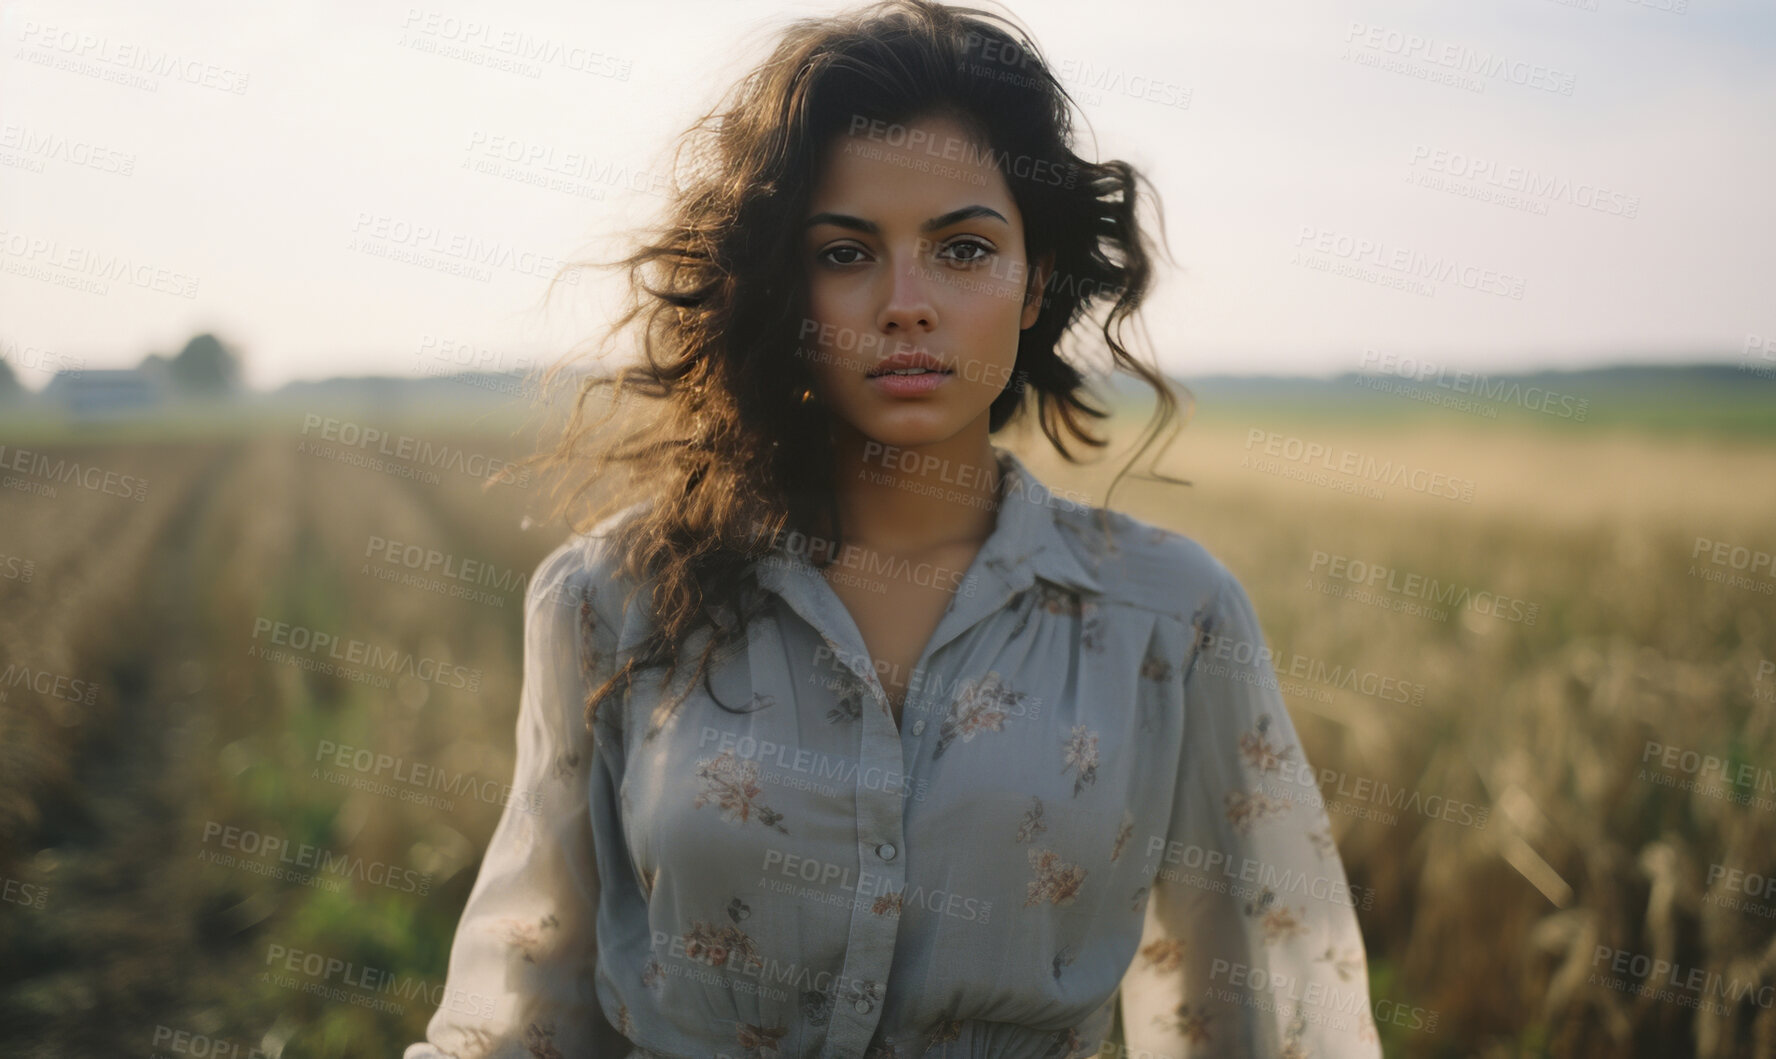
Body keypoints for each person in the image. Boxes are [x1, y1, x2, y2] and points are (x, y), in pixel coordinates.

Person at [406, 2, 1380, 1056]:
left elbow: (1257, 1015)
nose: (905, 304)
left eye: (962, 249)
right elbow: (530, 1003)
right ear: (782, 285)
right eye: (845, 253)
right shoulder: (610, 597)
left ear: (1034, 280)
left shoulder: (1168, 617)